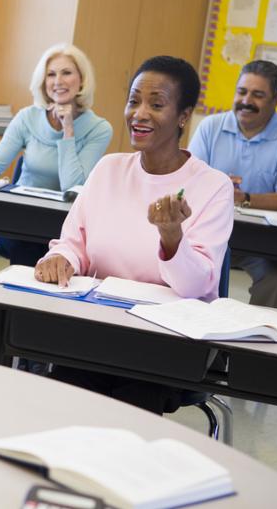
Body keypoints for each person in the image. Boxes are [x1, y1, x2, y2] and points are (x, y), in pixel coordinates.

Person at [35, 56, 234, 414]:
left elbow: (199, 287)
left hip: (163, 342)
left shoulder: (211, 186)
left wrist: (173, 239)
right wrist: (60, 258)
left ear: (184, 116)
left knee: (126, 412)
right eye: (133, 101)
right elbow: (72, 243)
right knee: (57, 401)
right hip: (95, 328)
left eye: (156, 104)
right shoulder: (109, 168)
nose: (139, 114)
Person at [0, 43, 113, 266]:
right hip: (22, 219)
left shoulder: (99, 128)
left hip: (64, 224)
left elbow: (73, 186)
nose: (58, 81)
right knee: (27, 247)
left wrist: (68, 131)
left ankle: (17, 298)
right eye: (51, 74)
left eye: (66, 73)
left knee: (47, 250)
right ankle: (12, 300)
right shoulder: (27, 117)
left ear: (82, 80)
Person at [189, 60, 277, 309]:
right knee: (190, 266)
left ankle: (259, 339)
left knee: (276, 278)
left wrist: (242, 197)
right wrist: (220, 190)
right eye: (242, 92)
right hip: (208, 230)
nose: (246, 101)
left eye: (258, 95)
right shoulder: (211, 127)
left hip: (262, 241)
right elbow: (189, 180)